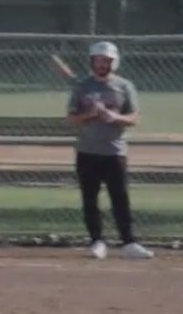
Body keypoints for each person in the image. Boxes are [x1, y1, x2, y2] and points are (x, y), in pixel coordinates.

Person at [65, 40, 155, 260]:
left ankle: (129, 242)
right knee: (90, 199)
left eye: (107, 61)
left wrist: (115, 117)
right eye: (98, 60)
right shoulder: (82, 87)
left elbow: (135, 118)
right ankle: (97, 241)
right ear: (92, 62)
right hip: (87, 151)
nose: (102, 65)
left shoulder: (124, 86)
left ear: (114, 62)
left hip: (115, 152)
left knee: (120, 198)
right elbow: (72, 118)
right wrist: (92, 115)